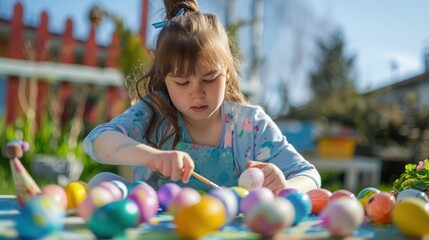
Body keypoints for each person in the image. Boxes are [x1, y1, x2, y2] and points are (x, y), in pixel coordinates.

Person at [83, 0, 320, 195]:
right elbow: (96, 142)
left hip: (227, 227)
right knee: (102, 180)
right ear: (163, 79)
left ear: (227, 73)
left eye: (209, 78)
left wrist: (284, 188)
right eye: (182, 82)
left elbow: (309, 174)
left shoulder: (250, 126)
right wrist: (153, 158)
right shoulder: (154, 110)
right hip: (156, 224)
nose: (197, 93)